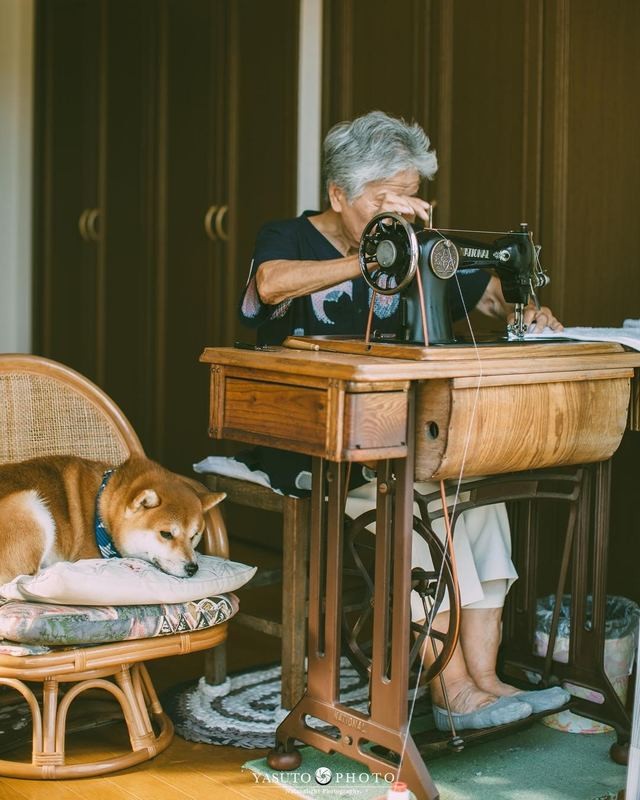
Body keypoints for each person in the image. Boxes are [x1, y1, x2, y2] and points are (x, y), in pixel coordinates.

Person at [237, 110, 568, 731]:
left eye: (409, 199)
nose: (398, 214)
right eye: (383, 200)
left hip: (396, 437)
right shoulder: (287, 237)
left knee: (478, 497)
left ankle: (487, 679)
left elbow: (487, 291)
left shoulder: (413, 246)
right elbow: (271, 285)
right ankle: (451, 691)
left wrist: (524, 305)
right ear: (338, 196)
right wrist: (367, 260)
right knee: (427, 502)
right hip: (311, 443)